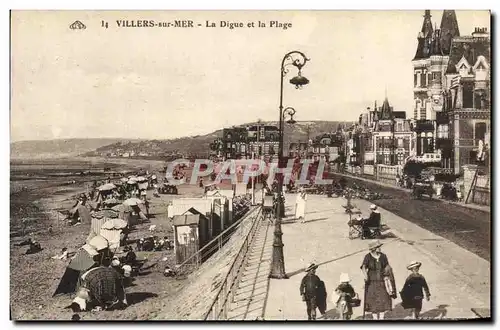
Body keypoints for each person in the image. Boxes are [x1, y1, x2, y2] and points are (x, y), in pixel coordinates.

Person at [360, 240, 396, 320]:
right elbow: (363, 267)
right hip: (371, 282)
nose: (379, 248)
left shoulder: (383, 256)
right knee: (373, 300)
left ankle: (382, 318)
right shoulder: (368, 256)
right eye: (378, 247)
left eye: (379, 247)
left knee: (383, 299)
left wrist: (387, 275)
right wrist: (365, 276)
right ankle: (375, 318)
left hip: (382, 281)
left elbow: (387, 267)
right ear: (373, 248)